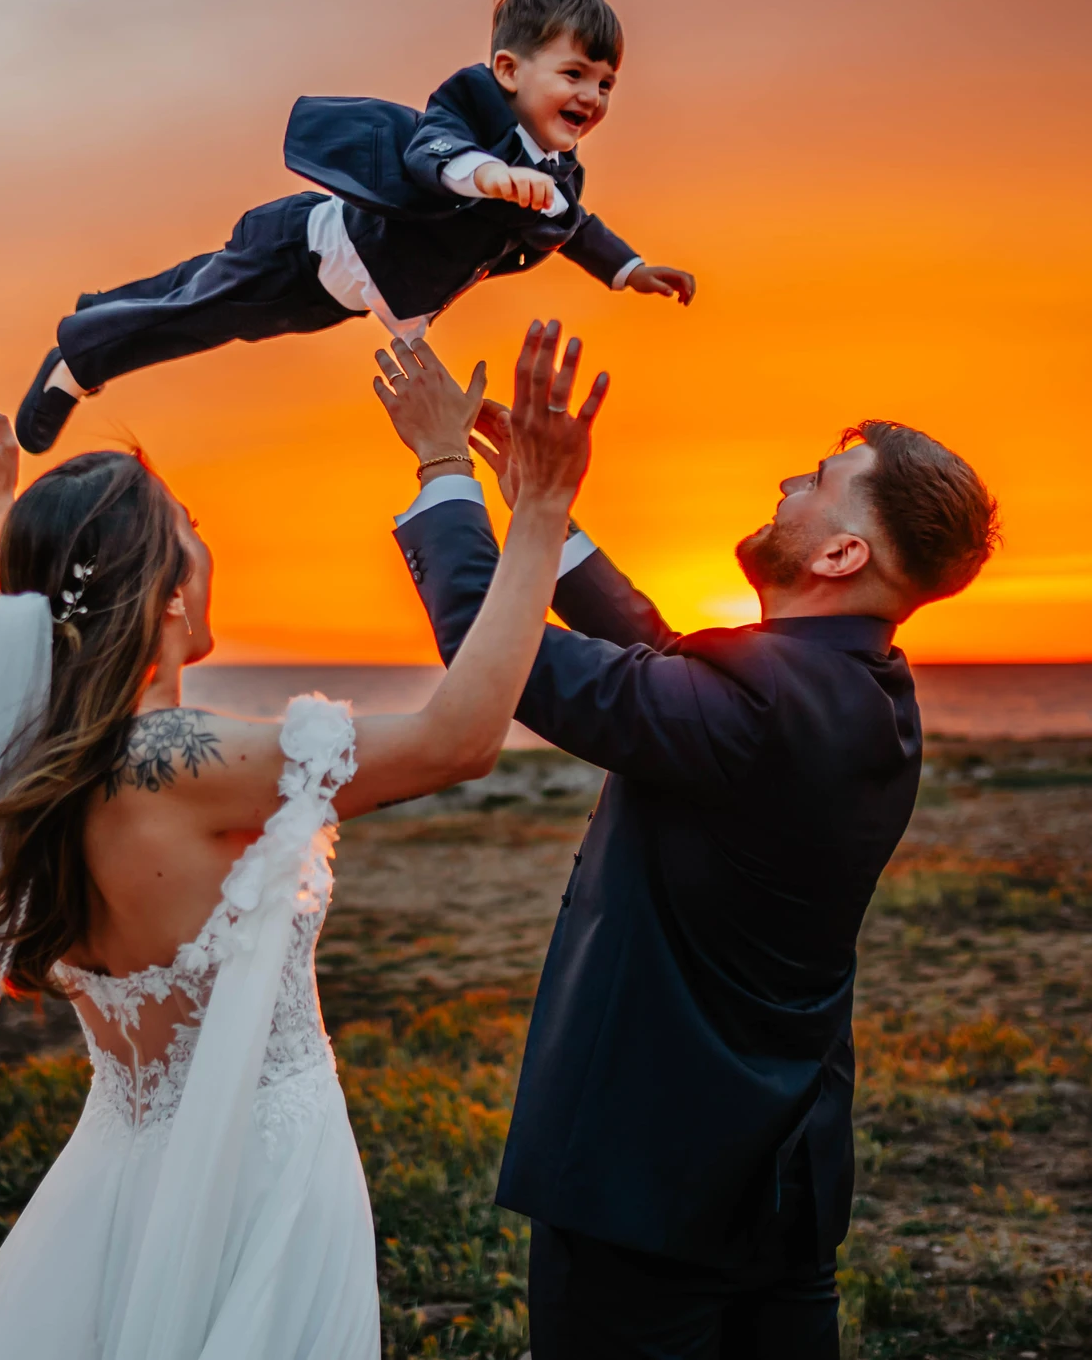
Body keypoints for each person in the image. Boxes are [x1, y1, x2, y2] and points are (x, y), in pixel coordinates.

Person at [0, 321, 606, 1360]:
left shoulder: (27, 774)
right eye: (189, 527)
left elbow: (13, 678)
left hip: (115, 1187)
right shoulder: (185, 763)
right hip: (263, 1184)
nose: (205, 542)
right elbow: (458, 738)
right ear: (169, 593)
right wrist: (537, 507)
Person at [372, 336, 999, 1360]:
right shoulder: (869, 695)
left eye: (819, 481)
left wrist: (442, 466)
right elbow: (664, 655)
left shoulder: (758, 708)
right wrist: (541, 506)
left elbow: (501, 659)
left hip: (643, 1185)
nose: (789, 481)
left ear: (842, 555)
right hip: (778, 1178)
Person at [11, 0, 696, 453]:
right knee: (195, 313)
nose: (593, 96)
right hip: (303, 247)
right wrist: (487, 175)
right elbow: (434, 152)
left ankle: (101, 311)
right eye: (573, 75)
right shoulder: (471, 110)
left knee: (200, 300)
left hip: (338, 298)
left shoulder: (557, 175)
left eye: (606, 83)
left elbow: (573, 226)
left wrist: (630, 269)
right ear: (511, 71)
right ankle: (75, 357)